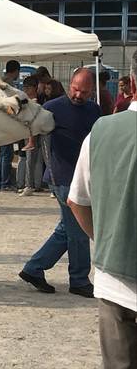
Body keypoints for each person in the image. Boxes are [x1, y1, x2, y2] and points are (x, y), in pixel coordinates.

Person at [67, 50, 136, 368]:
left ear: (132, 81)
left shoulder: (101, 131)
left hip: (115, 282)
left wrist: (106, 238)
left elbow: (77, 201)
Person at [19, 68, 101, 297]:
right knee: (78, 232)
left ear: (91, 90)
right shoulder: (52, 108)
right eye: (75, 89)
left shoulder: (94, 110)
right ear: (70, 84)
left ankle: (34, 269)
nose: (78, 94)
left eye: (84, 92)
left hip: (83, 178)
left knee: (68, 229)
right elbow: (31, 131)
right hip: (61, 178)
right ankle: (79, 280)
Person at [0, 60, 21, 192]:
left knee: (3, 154)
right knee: (7, 154)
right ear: (16, 70)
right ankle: (5, 183)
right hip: (6, 121)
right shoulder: (8, 84)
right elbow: (9, 104)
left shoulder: (1, 81)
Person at [19, 76, 44, 196]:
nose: (25, 90)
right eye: (24, 87)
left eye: (27, 87)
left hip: (33, 133)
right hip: (28, 132)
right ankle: (32, 184)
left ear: (34, 88)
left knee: (33, 160)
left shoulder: (34, 102)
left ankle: (30, 185)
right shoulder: (26, 101)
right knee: (32, 159)